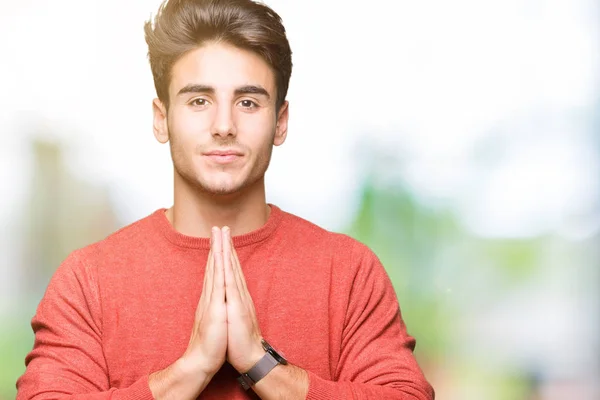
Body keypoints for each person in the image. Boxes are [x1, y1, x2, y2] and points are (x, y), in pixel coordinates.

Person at [16, 0, 434, 399]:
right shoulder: (88, 280)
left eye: (248, 102)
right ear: (161, 119)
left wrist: (259, 363)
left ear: (280, 122)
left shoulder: (347, 272)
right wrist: (191, 369)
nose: (223, 125)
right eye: (199, 100)